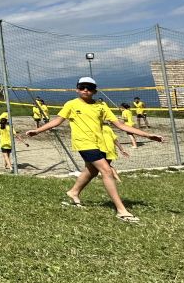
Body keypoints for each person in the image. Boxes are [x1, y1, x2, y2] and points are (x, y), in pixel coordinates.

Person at [26, 77, 162, 222]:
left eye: (89, 87)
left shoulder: (101, 106)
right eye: (82, 87)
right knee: (106, 170)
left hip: (99, 143)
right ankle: (121, 210)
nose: (86, 90)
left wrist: (147, 135)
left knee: (92, 170)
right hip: (83, 143)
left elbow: (120, 125)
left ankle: (73, 192)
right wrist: (38, 131)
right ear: (77, 89)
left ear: (94, 91)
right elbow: (57, 121)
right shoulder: (71, 104)